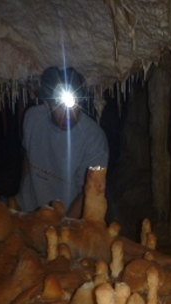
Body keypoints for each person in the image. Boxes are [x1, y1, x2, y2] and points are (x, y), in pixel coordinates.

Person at [16, 66, 109, 218]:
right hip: (28, 212)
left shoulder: (94, 140)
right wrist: (20, 199)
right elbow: (28, 156)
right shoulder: (31, 119)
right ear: (47, 104)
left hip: (64, 216)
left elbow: (88, 192)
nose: (66, 113)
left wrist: (63, 228)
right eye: (58, 105)